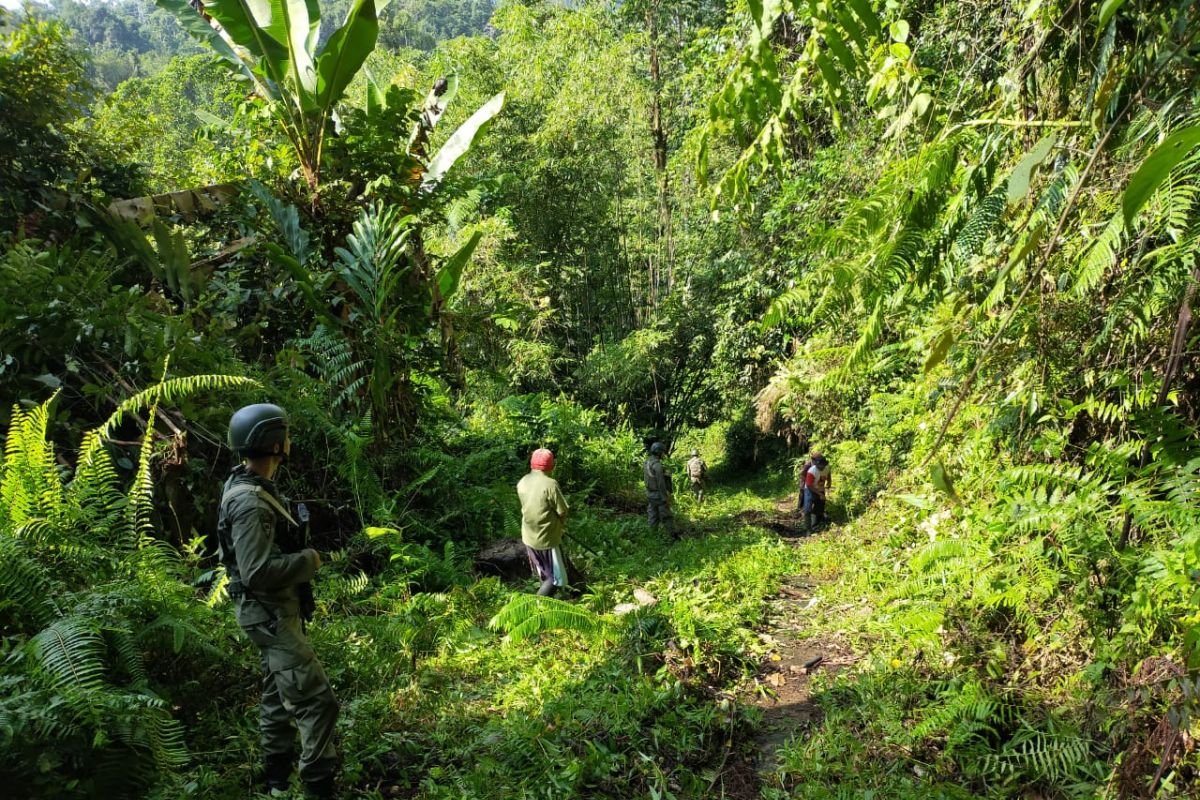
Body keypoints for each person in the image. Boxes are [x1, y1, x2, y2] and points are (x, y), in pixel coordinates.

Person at [217, 404, 338, 799]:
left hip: (269, 613)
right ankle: (318, 786)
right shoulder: (251, 502)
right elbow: (256, 572)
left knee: (275, 694)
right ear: (275, 443)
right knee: (317, 701)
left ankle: (275, 780)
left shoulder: (248, 486)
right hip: (268, 613)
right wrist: (308, 560)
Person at [517, 448, 571, 597]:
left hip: (529, 537)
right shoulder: (550, 484)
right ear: (551, 466)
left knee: (544, 575)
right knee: (555, 580)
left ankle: (547, 607)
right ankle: (535, 607)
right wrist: (561, 527)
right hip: (547, 540)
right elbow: (562, 511)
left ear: (531, 464)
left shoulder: (523, 482)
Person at [643, 442, 675, 536]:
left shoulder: (647, 462)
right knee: (666, 516)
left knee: (652, 516)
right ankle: (672, 536)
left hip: (649, 494)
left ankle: (652, 536)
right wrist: (665, 498)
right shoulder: (657, 465)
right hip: (658, 495)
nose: (663, 454)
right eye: (662, 452)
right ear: (659, 452)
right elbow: (661, 484)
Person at [801, 452, 832, 532]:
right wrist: (820, 494)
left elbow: (828, 474)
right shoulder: (811, 471)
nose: (821, 467)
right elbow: (809, 485)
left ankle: (814, 526)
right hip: (809, 490)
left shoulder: (827, 468)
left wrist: (829, 481)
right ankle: (808, 529)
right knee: (807, 510)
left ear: (825, 464)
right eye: (819, 465)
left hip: (820, 489)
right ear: (816, 464)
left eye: (822, 465)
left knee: (819, 509)